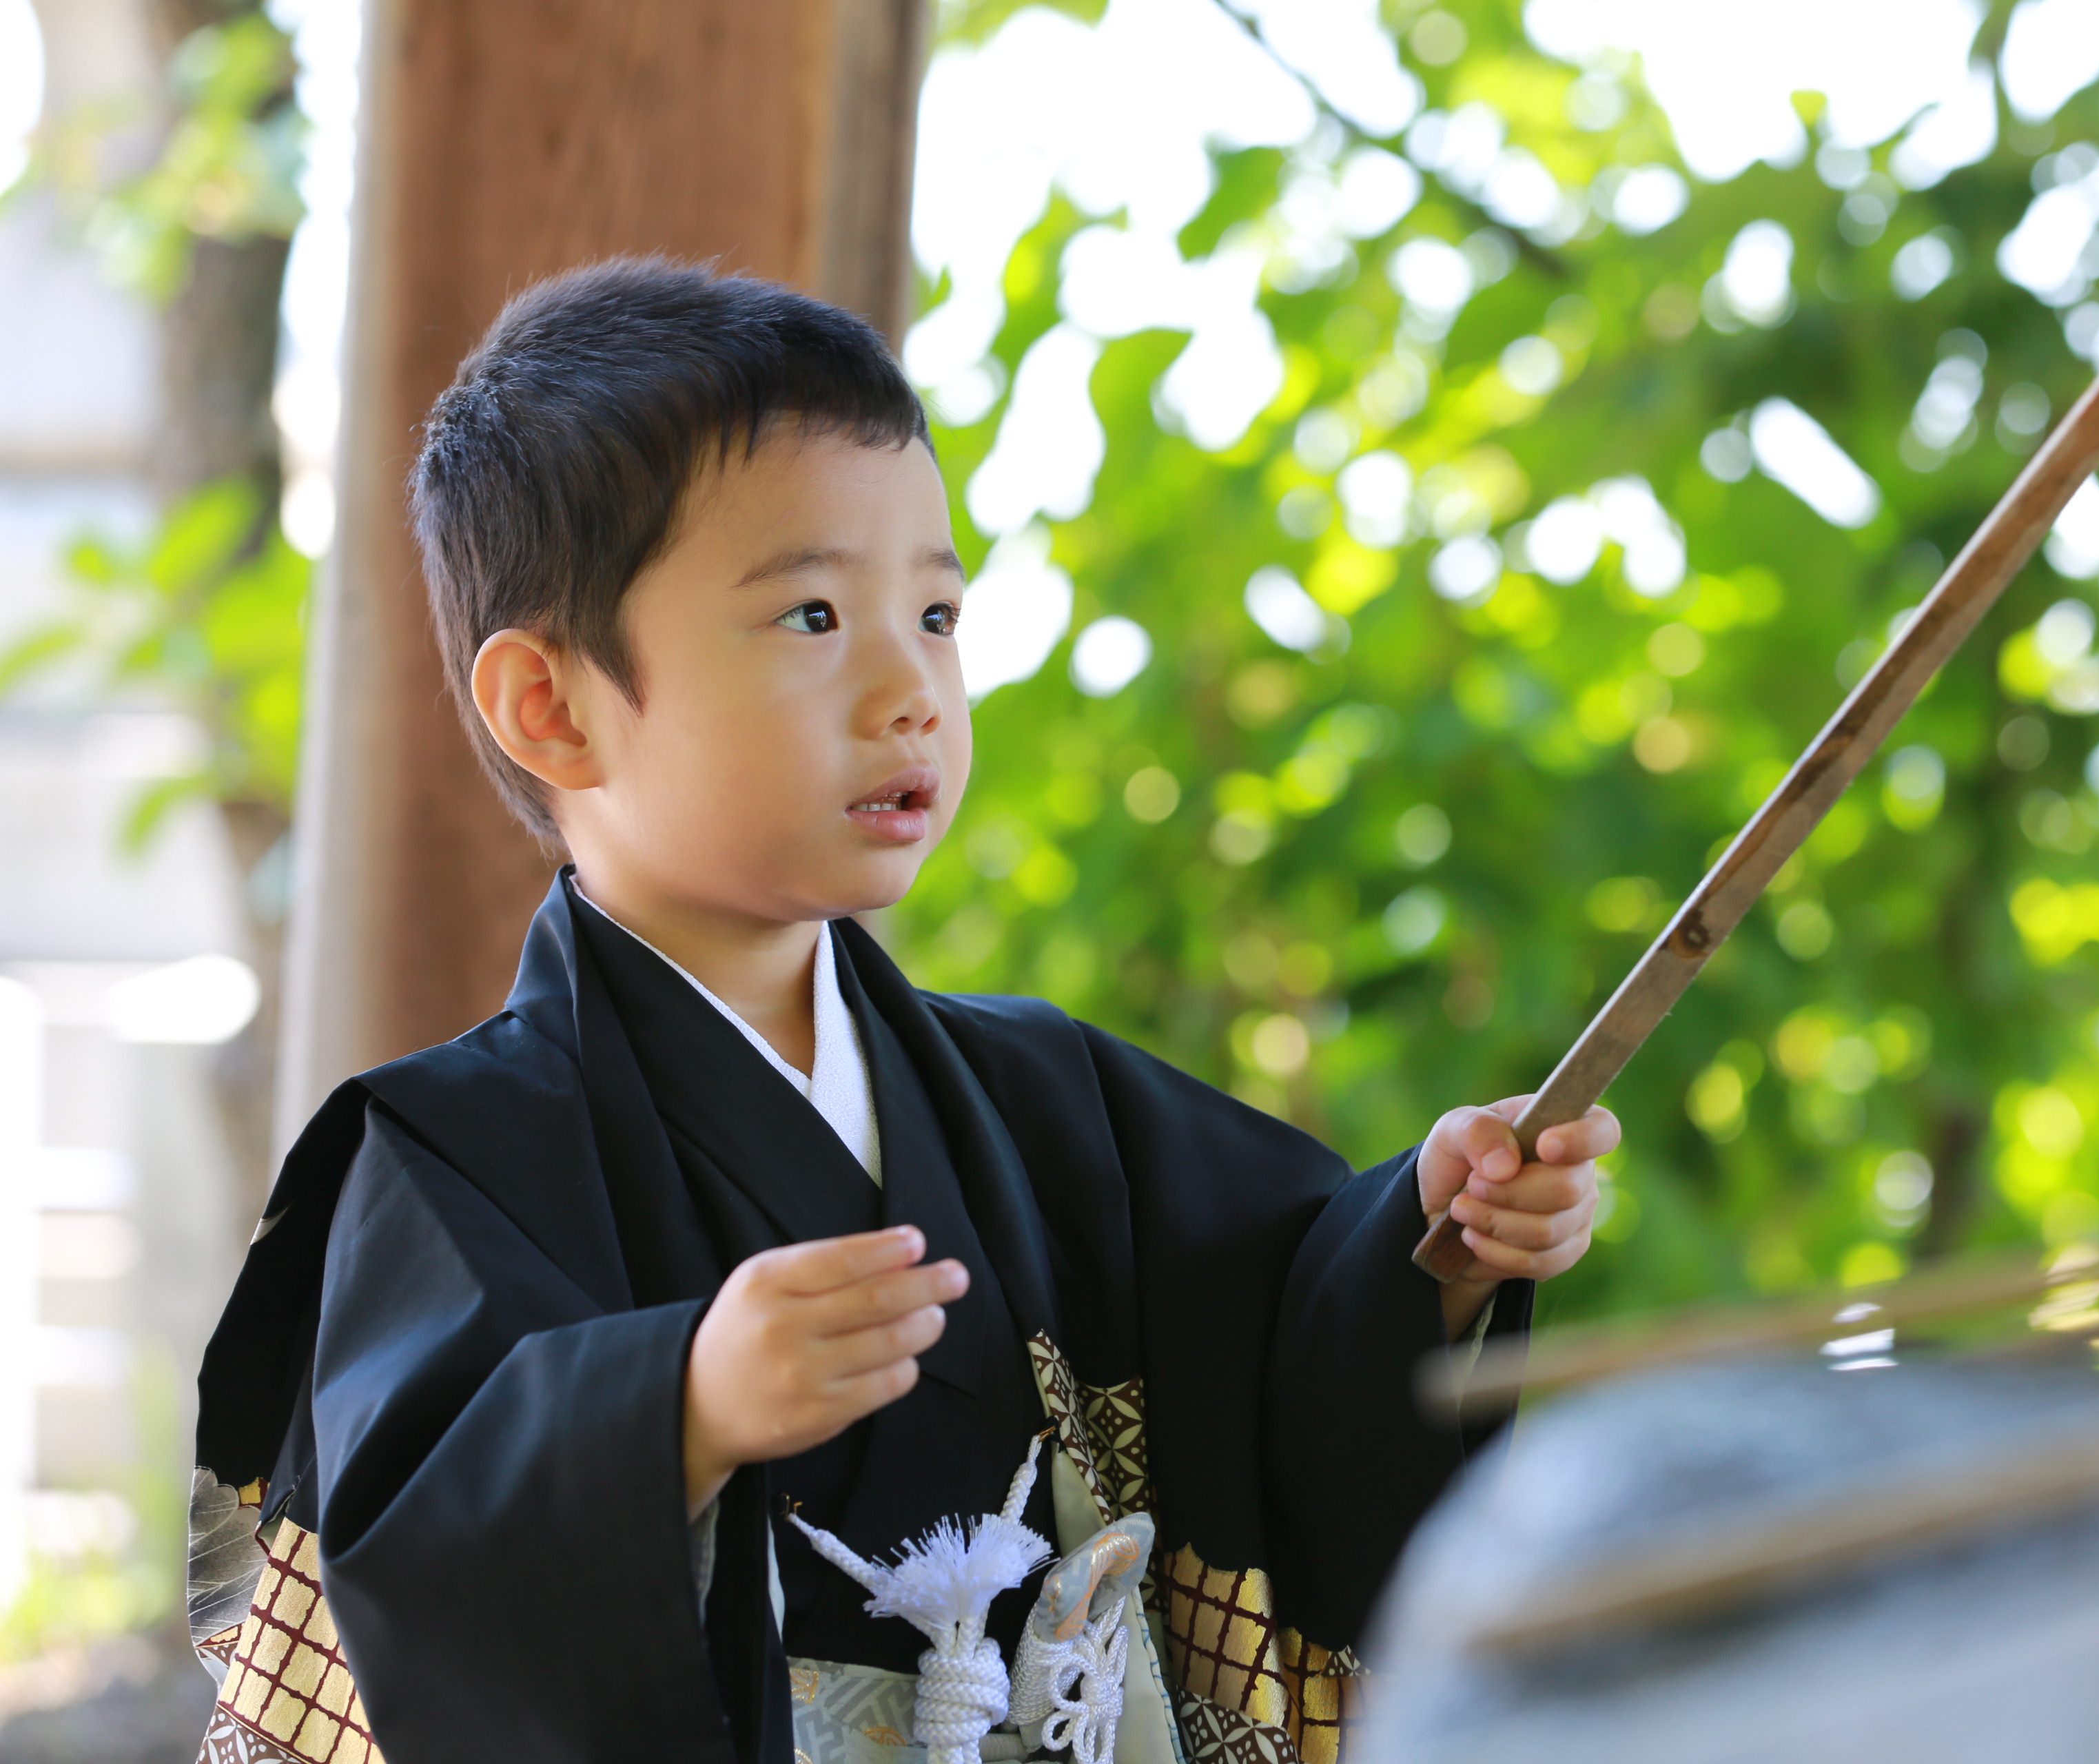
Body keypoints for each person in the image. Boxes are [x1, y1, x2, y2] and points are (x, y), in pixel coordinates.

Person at [186, 258, 1617, 1764]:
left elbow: (1273, 1338)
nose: (912, 687)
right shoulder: (448, 1155)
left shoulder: (1049, 1098)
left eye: (936, 613)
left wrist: (1435, 1247)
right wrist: (669, 1406)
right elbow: (414, 1548)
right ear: (554, 705)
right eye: (812, 614)